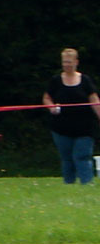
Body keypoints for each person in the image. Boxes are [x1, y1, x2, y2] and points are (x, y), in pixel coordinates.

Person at [42, 48, 100, 184]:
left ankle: (86, 184)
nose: (67, 65)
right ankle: (69, 185)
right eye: (64, 62)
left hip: (85, 128)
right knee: (67, 158)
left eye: (69, 62)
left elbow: (95, 101)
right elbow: (46, 98)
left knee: (82, 156)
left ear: (76, 62)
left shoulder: (85, 80)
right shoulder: (55, 81)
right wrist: (51, 107)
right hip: (61, 128)